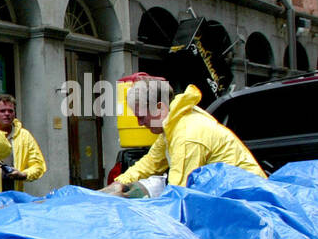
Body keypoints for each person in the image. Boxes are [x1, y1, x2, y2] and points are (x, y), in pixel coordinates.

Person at [102, 76, 264, 193]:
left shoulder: (186, 134)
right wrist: (118, 184)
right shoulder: (173, 126)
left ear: (159, 108)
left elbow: (179, 192)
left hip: (248, 200)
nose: (140, 123)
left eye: (142, 116)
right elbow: (150, 163)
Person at [0, 94, 46, 193]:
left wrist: (24, 174)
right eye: (2, 111)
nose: (7, 114)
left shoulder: (24, 136)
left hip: (14, 192)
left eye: (10, 111)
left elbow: (38, 165)